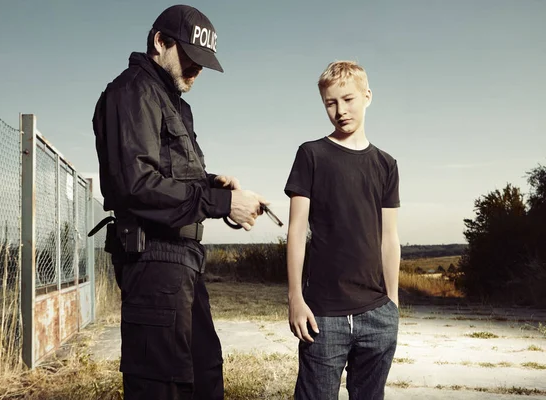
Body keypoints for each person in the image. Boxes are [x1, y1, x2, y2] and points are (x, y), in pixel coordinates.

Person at [92, 5, 267, 399]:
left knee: (204, 374)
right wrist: (221, 203)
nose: (197, 69)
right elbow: (135, 185)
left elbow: (170, 174)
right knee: (165, 385)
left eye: (203, 62)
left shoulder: (170, 101)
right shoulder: (131, 92)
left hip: (183, 260)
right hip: (153, 262)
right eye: (190, 56)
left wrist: (216, 185)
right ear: (160, 42)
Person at [284, 60, 401, 400]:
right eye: (330, 103)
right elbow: (296, 231)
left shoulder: (386, 164)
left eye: (348, 100)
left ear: (367, 96)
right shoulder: (311, 154)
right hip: (322, 315)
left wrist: (392, 303)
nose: (340, 111)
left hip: (377, 314)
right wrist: (295, 298)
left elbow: (389, 238)